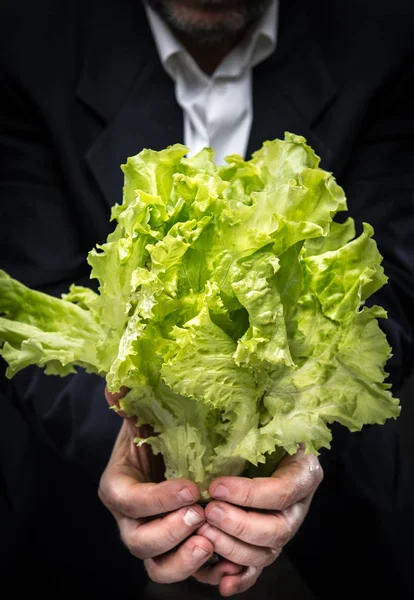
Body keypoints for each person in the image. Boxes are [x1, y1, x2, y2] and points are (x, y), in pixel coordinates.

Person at [0, 0, 413, 597]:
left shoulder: (385, 33)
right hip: (76, 521)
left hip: (338, 519)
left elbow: (390, 288)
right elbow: (31, 303)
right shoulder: (29, 36)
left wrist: (286, 437)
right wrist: (148, 441)